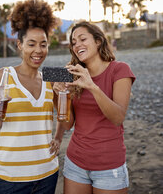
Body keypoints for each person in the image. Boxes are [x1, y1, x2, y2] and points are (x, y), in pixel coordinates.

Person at [53, 21, 136, 194]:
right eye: (74, 42)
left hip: (108, 165)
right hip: (75, 163)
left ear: (98, 41)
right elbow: (68, 125)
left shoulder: (120, 70)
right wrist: (57, 95)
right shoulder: (72, 74)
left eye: (83, 39)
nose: (77, 45)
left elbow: (118, 117)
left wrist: (92, 86)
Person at [0, 0, 63, 194]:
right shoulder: (3, 76)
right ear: (19, 45)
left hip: (48, 173)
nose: (38, 51)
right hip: (10, 177)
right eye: (31, 44)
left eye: (43, 44)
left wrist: (58, 137)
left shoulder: (52, 76)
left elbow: (68, 115)